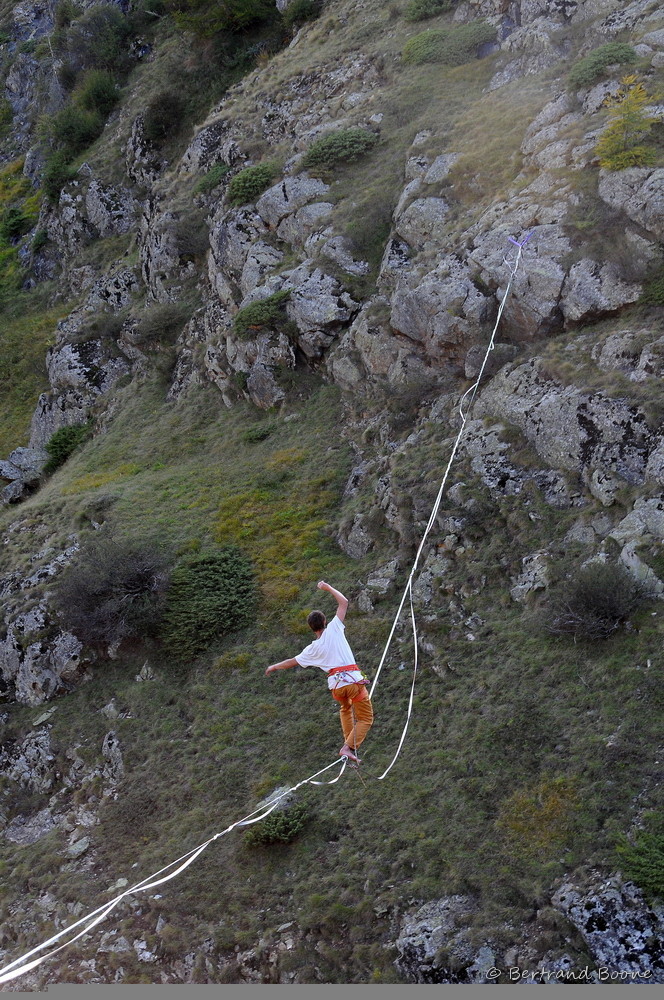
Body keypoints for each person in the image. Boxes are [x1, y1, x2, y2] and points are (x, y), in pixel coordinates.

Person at [265, 581, 373, 763]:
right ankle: (349, 747)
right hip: (352, 681)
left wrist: (274, 666)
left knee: (346, 709)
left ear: (312, 628)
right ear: (324, 622)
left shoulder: (312, 649)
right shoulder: (334, 629)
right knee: (366, 719)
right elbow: (344, 602)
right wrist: (328, 588)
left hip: (337, 687)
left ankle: (349, 746)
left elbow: (292, 662)